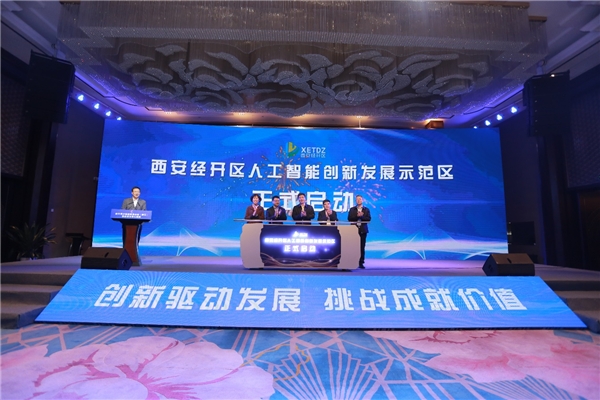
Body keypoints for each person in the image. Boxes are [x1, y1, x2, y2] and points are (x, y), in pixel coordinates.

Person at [347, 195, 371, 269]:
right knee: (354, 246)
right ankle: (353, 261)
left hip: (363, 230)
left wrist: (362, 217)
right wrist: (357, 216)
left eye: (360, 199)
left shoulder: (366, 209)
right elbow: (349, 218)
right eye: (357, 199)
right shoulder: (352, 209)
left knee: (362, 246)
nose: (358, 200)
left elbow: (368, 219)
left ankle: (361, 262)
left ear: (362, 200)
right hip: (354, 230)